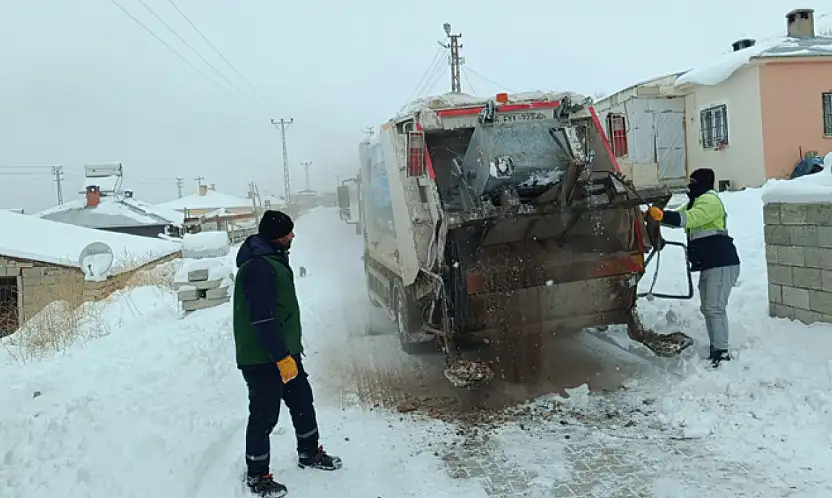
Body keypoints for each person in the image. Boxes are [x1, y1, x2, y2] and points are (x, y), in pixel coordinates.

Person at [233, 210, 342, 497]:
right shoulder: (259, 267)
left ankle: (309, 452)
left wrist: (288, 355)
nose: (293, 236)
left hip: (284, 353)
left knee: (302, 401)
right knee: (264, 415)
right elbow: (262, 319)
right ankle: (258, 475)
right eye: (288, 233)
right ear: (274, 236)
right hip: (262, 358)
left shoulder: (273, 260)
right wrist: (280, 357)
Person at [647, 168, 740, 367]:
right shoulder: (695, 201)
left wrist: (662, 216)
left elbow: (688, 219)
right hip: (710, 264)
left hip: (722, 263)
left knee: (714, 308)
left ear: (703, 183)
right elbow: (676, 219)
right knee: (708, 308)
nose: (690, 185)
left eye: (693, 182)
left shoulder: (710, 201)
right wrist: (656, 217)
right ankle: (716, 348)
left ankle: (721, 352)